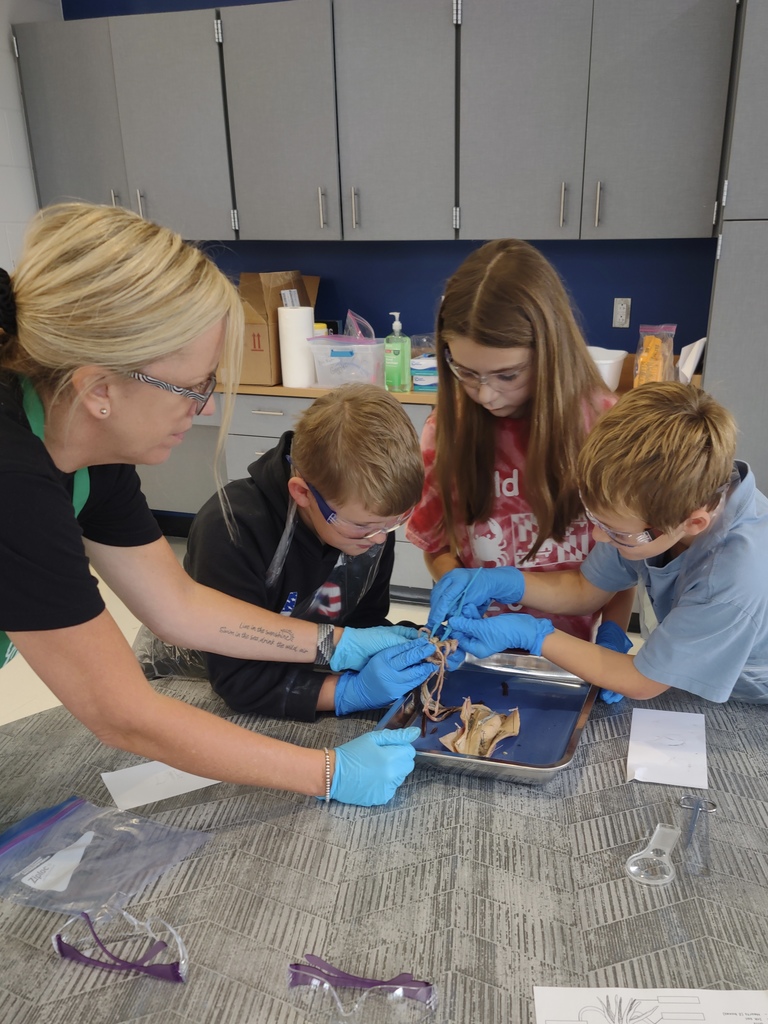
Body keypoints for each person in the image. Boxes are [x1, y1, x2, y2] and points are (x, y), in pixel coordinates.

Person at [0, 201, 433, 807]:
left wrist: (330, 645)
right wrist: (327, 772)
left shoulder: (93, 453)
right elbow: (121, 713)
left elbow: (175, 607)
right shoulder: (13, 482)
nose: (203, 408)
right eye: (192, 386)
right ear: (100, 389)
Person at [434, 382, 768, 704]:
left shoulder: (733, 577)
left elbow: (643, 681)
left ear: (694, 522)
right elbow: (586, 588)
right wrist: (501, 582)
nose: (597, 537)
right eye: (596, 520)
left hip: (751, 689)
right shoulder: (648, 504)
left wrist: (533, 634)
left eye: (618, 534)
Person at [136, 382, 432, 721]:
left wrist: (417, 648)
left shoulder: (369, 520)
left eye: (394, 523)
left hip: (297, 672)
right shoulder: (232, 528)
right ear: (303, 493)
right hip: (196, 679)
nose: (380, 539)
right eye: (364, 527)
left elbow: (362, 624)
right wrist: (350, 693)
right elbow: (239, 679)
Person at [405, 238, 634, 646]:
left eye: (507, 375)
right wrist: (458, 586)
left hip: (577, 655)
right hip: (481, 647)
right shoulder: (446, 430)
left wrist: (614, 629)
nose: (486, 395)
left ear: (550, 352)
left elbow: (622, 562)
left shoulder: (607, 428)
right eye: (466, 372)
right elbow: (437, 546)